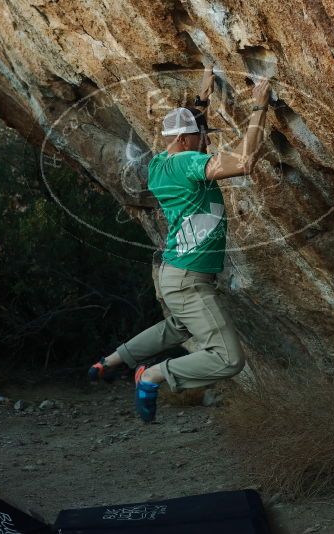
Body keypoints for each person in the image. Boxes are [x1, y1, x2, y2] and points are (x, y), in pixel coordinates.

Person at [89, 65, 272, 422]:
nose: (207, 142)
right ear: (186, 142)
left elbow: (191, 131)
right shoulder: (189, 162)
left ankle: (112, 362)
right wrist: (259, 107)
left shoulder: (161, 163)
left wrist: (202, 97)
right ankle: (153, 375)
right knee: (229, 359)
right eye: (200, 137)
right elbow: (245, 161)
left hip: (175, 274)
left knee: (180, 327)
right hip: (188, 279)